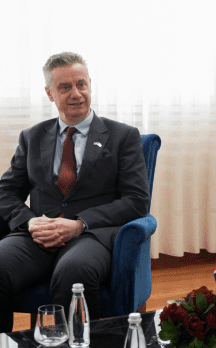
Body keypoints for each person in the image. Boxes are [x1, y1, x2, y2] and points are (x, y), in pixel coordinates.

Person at [0, 52, 150, 332]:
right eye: (65, 87)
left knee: (73, 274)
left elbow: (137, 200)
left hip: (90, 236)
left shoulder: (122, 136)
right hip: (39, 234)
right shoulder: (32, 137)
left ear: (90, 85)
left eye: (81, 84)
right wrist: (30, 222)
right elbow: (6, 191)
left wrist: (80, 224)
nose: (76, 94)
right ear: (50, 93)